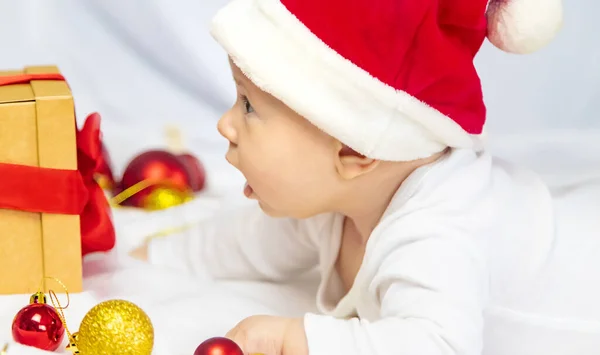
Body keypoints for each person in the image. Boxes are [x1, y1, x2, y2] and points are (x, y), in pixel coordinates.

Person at [130, 0, 590, 354]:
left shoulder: (437, 233)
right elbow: (247, 243)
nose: (225, 126)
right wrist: (148, 252)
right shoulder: (337, 198)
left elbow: (437, 346)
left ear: (354, 149)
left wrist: (299, 339)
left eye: (249, 106)